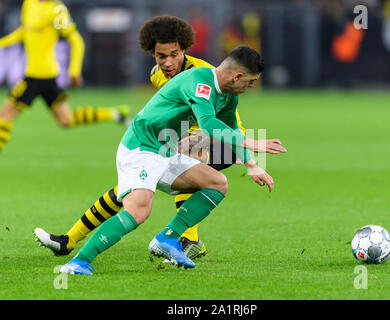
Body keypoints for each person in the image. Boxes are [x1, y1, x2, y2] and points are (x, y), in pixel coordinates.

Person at [34, 15, 252, 259]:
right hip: (188, 133)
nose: (168, 62)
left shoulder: (201, 73)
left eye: (174, 54)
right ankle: (69, 240)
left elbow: (208, 122)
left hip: (225, 141)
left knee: (173, 166)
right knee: (131, 186)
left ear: (185, 50)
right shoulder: (157, 75)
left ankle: (187, 240)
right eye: (162, 56)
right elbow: (175, 115)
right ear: (152, 53)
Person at [59, 45, 285, 275]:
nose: (251, 86)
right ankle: (78, 262)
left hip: (166, 150)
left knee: (217, 183)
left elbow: (231, 129)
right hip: (142, 147)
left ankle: (166, 239)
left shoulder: (228, 97)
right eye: (251, 81)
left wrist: (252, 164)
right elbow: (208, 124)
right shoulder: (200, 81)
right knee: (138, 211)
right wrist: (252, 143)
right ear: (237, 76)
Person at [0, 0, 130, 151]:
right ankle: (114, 114)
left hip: (37, 76)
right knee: (66, 120)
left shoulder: (57, 10)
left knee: (4, 116)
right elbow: (24, 31)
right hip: (43, 76)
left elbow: (76, 41)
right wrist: (2, 43)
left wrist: (74, 71)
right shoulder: (29, 4)